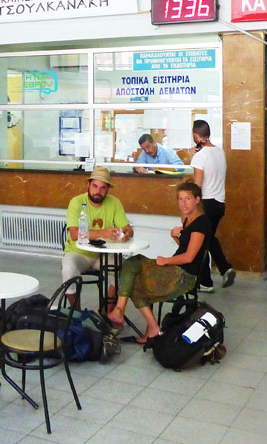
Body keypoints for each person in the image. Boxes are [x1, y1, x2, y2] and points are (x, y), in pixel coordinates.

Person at [108, 182, 210, 343]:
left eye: (188, 199)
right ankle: (150, 326)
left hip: (184, 276)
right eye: (180, 199)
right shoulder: (188, 219)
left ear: (197, 200)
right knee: (132, 265)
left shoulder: (201, 223)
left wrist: (167, 260)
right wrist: (175, 236)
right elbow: (186, 248)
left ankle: (123, 312)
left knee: (133, 273)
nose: (183, 203)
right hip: (176, 268)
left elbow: (190, 257)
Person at [62, 167, 133, 306]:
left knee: (127, 269)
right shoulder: (76, 202)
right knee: (68, 269)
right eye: (95, 186)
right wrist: (103, 233)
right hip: (78, 253)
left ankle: (109, 310)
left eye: (103, 188)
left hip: (104, 254)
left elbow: (127, 228)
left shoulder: (114, 202)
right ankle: (76, 315)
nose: (98, 191)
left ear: (107, 189)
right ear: (88, 185)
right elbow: (75, 234)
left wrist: (126, 233)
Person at [190, 120, 235, 292]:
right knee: (208, 238)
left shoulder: (199, 156)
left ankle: (205, 282)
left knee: (200, 241)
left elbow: (197, 185)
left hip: (206, 203)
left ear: (196, 135)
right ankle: (225, 268)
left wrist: (193, 206)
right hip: (219, 203)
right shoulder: (220, 152)